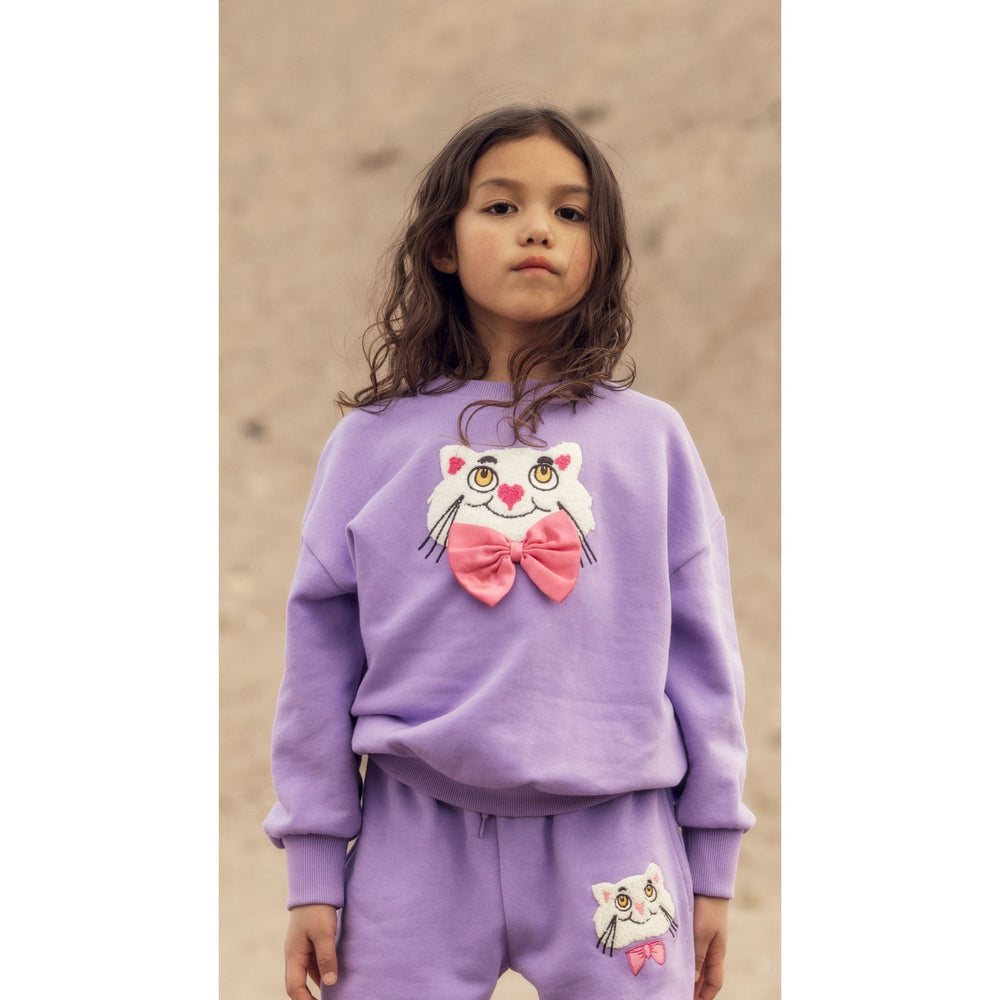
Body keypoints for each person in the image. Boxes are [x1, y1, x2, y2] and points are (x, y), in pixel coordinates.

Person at [264, 105, 755, 1000]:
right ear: (442, 245)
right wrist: (313, 868)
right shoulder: (371, 442)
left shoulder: (652, 441)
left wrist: (712, 858)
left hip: (618, 840)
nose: (538, 228)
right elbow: (318, 664)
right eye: (501, 206)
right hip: (414, 838)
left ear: (600, 250)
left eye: (571, 212)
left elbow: (704, 661)